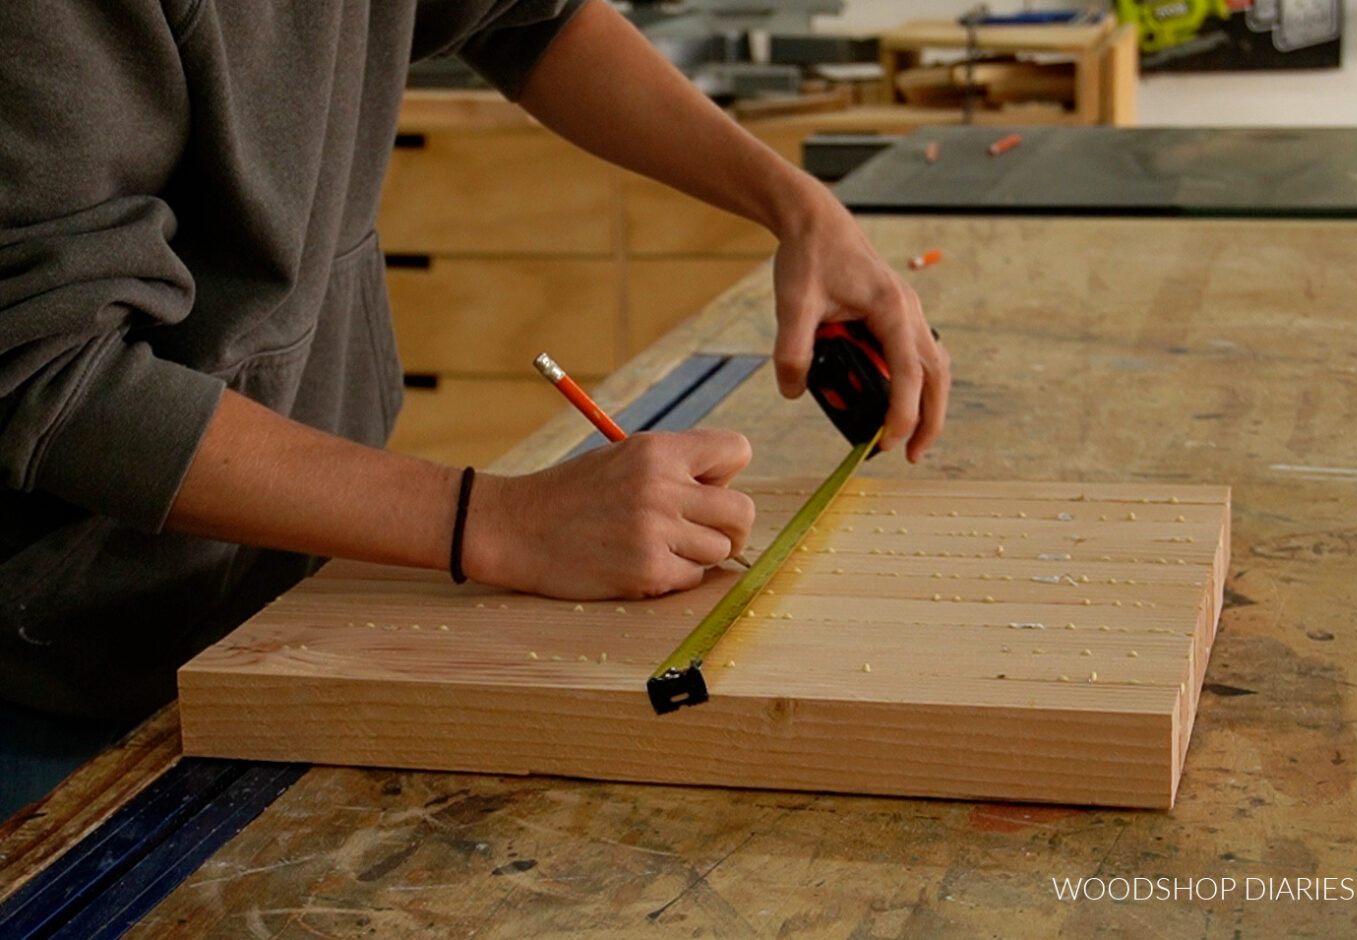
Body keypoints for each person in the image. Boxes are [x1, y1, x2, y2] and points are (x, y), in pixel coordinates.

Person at [0, 0, 950, 817]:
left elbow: (533, 20)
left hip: (306, 588)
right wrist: (499, 519)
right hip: (69, 644)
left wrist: (797, 206)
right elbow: (55, 377)